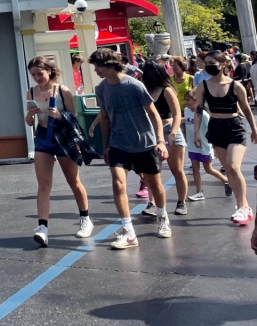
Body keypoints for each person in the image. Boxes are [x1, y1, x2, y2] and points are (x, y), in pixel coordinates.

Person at [89, 48, 171, 249]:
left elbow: (154, 114)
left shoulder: (134, 85)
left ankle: (163, 217)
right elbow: (105, 118)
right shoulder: (101, 89)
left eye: (98, 66)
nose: (96, 70)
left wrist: (160, 141)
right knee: (118, 184)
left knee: (154, 184)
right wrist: (106, 146)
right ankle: (129, 231)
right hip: (119, 143)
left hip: (144, 143)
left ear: (110, 64)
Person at [24, 56, 92, 247]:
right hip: (43, 138)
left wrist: (59, 115)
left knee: (73, 181)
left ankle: (85, 218)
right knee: (43, 184)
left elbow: (74, 118)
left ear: (49, 71)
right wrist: (30, 115)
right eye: (33, 75)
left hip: (63, 137)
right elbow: (29, 123)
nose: (37, 78)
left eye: (40, 73)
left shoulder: (62, 91)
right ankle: (43, 228)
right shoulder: (31, 92)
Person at [192, 55, 257, 225]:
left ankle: (244, 207)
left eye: (212, 63)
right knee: (228, 169)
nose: (208, 66)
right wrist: (196, 133)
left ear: (223, 64)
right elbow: (198, 109)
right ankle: (242, 206)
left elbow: (246, 108)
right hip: (215, 126)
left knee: (234, 166)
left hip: (235, 126)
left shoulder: (236, 86)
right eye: (206, 64)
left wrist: (254, 129)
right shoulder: (203, 86)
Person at [140, 61, 189, 215]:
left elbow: (176, 114)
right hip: (151, 132)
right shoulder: (144, 90)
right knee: (153, 171)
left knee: (177, 170)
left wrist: (174, 132)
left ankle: (181, 202)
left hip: (168, 130)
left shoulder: (167, 90)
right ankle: (152, 203)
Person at [183, 90, 230, 201]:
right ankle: (199, 192)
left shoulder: (203, 115)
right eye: (185, 100)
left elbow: (211, 131)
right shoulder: (186, 111)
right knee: (195, 169)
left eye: (188, 100)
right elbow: (186, 125)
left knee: (208, 169)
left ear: (196, 100)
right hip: (192, 145)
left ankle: (225, 180)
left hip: (204, 146)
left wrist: (215, 148)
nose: (186, 102)